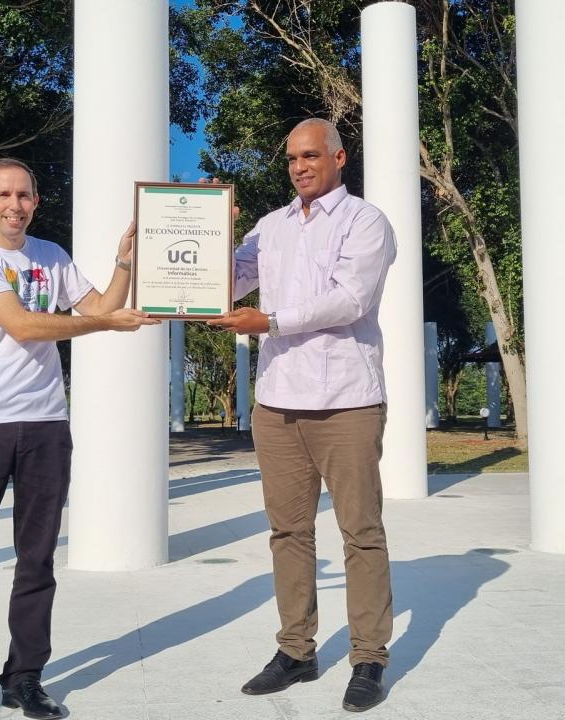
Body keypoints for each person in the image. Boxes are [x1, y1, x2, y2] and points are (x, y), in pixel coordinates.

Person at [0, 158, 158, 720]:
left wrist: (124, 261)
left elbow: (99, 305)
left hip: (45, 426)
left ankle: (24, 677)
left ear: (36, 201)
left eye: (24, 194)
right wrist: (104, 325)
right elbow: (23, 324)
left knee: (37, 560)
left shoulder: (51, 255)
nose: (14, 204)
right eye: (3, 195)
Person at [208, 118, 397, 713]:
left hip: (347, 400)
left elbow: (351, 299)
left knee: (360, 532)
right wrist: (216, 228)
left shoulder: (366, 221)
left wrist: (269, 321)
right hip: (278, 401)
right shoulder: (271, 226)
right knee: (288, 533)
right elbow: (229, 281)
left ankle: (368, 656)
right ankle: (297, 650)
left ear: (339, 157)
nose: (299, 166)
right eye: (291, 158)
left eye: (311, 155)